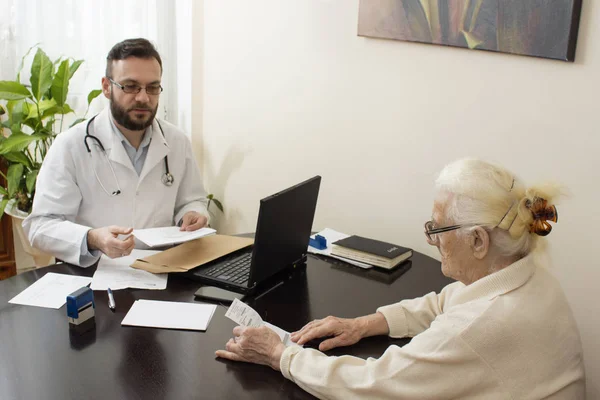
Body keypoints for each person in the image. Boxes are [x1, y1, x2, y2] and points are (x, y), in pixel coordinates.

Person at [216, 158, 586, 399]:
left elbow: (373, 386)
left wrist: (280, 353)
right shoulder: (529, 279)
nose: (431, 238)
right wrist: (365, 324)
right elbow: (447, 300)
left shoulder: (477, 329)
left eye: (438, 228)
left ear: (478, 240)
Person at [23, 38, 210, 267]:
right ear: (106, 87)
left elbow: (193, 200)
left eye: (152, 87)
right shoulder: (71, 145)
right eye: (130, 86)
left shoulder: (177, 142)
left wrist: (193, 213)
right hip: (96, 276)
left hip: (162, 272)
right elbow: (40, 226)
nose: (143, 97)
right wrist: (92, 239)